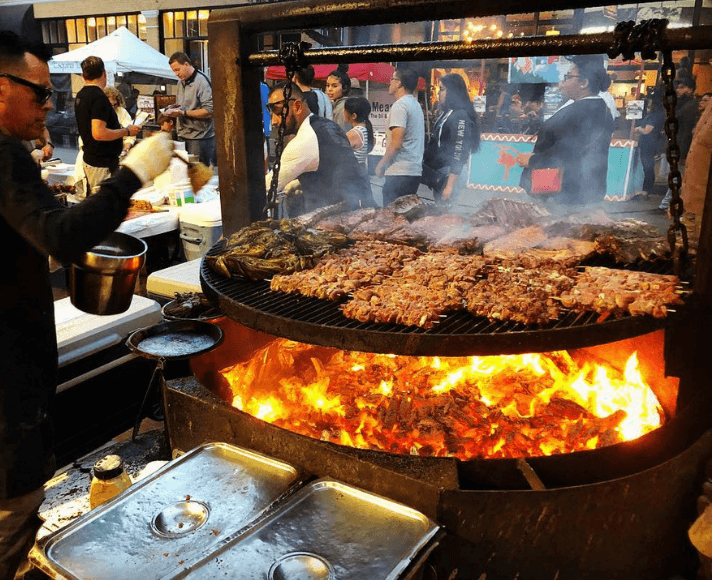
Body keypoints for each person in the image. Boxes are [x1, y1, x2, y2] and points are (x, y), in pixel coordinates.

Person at [0, 29, 173, 578]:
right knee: (15, 505)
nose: (50, 107)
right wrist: (132, 174)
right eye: (39, 93)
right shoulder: (3, 155)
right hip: (6, 366)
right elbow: (62, 235)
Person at [516, 55, 616, 205]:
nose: (561, 84)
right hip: (567, 191)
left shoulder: (589, 110)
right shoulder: (587, 107)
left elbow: (569, 150)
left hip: (569, 194)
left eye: (567, 77)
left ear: (584, 82)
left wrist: (532, 160)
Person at [264, 82, 374, 216]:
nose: (274, 121)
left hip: (340, 219)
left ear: (297, 107)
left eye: (278, 112)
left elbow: (268, 186)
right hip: (364, 209)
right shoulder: (328, 125)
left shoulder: (304, 140)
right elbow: (333, 167)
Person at [75, 56, 141, 196]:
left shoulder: (81, 95)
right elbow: (99, 133)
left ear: (83, 75)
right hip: (101, 164)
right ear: (104, 73)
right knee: (104, 205)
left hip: (93, 160)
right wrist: (127, 132)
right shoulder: (98, 97)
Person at [422, 73, 480, 204]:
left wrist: (450, 186)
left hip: (450, 176)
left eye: (442, 89)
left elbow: (460, 151)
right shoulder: (448, 113)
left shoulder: (460, 115)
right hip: (441, 174)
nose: (438, 93)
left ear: (453, 91)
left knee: (446, 216)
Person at [374, 68, 425, 206]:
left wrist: (381, 164)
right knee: (405, 218)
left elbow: (397, 143)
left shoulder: (400, 105)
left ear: (399, 83)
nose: (389, 83)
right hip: (414, 171)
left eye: (392, 79)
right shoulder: (415, 104)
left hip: (399, 173)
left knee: (390, 219)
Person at [165, 52, 216, 167]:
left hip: (199, 138)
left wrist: (184, 113)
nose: (176, 74)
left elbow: (210, 112)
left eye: (178, 69)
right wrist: (172, 109)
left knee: (198, 174)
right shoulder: (180, 82)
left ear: (187, 64)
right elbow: (183, 105)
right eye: (174, 71)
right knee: (183, 173)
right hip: (183, 135)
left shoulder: (202, 82)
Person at [658, 76, 699, 212]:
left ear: (690, 89)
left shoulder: (691, 104)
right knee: (667, 174)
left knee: (675, 176)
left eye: (682, 87)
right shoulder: (678, 103)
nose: (678, 90)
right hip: (672, 144)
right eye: (677, 87)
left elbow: (675, 117)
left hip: (681, 145)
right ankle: (673, 202)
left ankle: (667, 204)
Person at [633, 93, 665, 198]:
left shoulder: (654, 116)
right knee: (648, 167)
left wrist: (638, 129)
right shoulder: (658, 114)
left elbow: (647, 131)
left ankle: (646, 190)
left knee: (647, 167)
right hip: (651, 143)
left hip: (648, 143)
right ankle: (646, 189)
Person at [343, 96, 374, 173]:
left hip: (351, 174)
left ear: (353, 116)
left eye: (345, 110)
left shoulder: (353, 134)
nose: (343, 113)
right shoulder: (366, 130)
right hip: (360, 173)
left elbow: (340, 155)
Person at [104, 86, 135, 158]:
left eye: (115, 105)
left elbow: (130, 132)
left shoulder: (121, 112)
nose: (113, 107)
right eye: (110, 105)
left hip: (119, 151)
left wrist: (127, 146)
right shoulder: (97, 113)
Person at [325, 64, 351, 131]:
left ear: (344, 88)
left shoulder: (342, 108)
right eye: (328, 85)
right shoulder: (337, 105)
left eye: (334, 86)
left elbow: (340, 133)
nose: (330, 89)